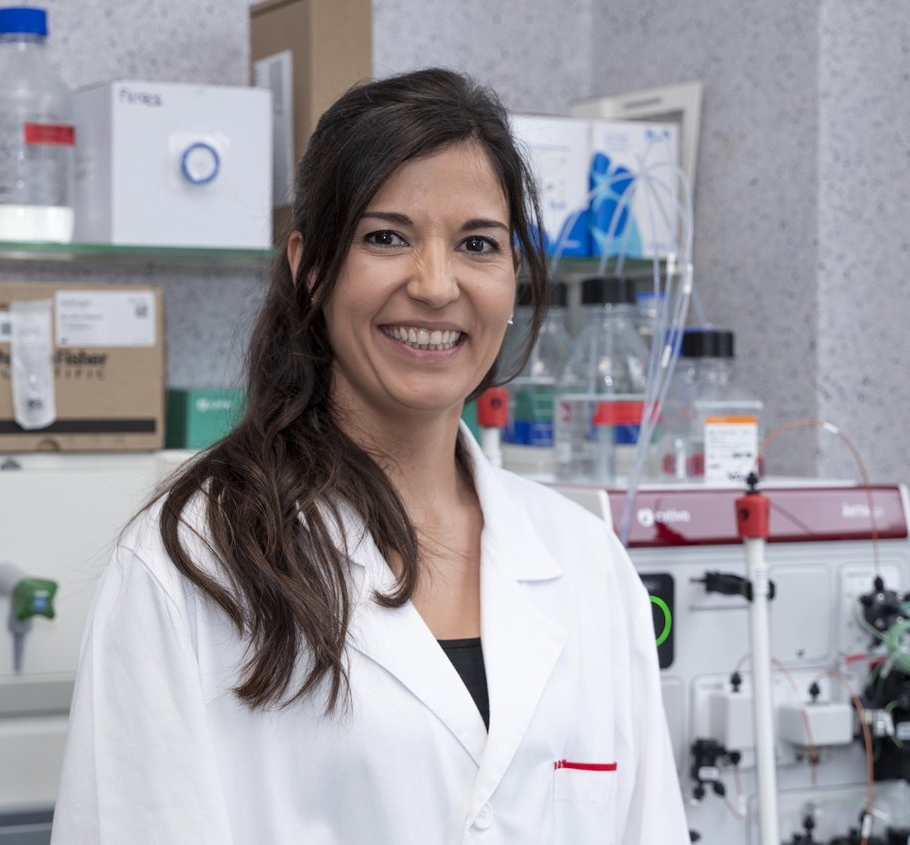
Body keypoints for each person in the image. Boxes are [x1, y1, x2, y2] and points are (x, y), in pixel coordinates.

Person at [52, 67, 689, 844]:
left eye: (478, 244)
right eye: (386, 236)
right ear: (310, 268)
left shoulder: (589, 565)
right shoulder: (188, 564)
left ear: (513, 276)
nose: (436, 285)